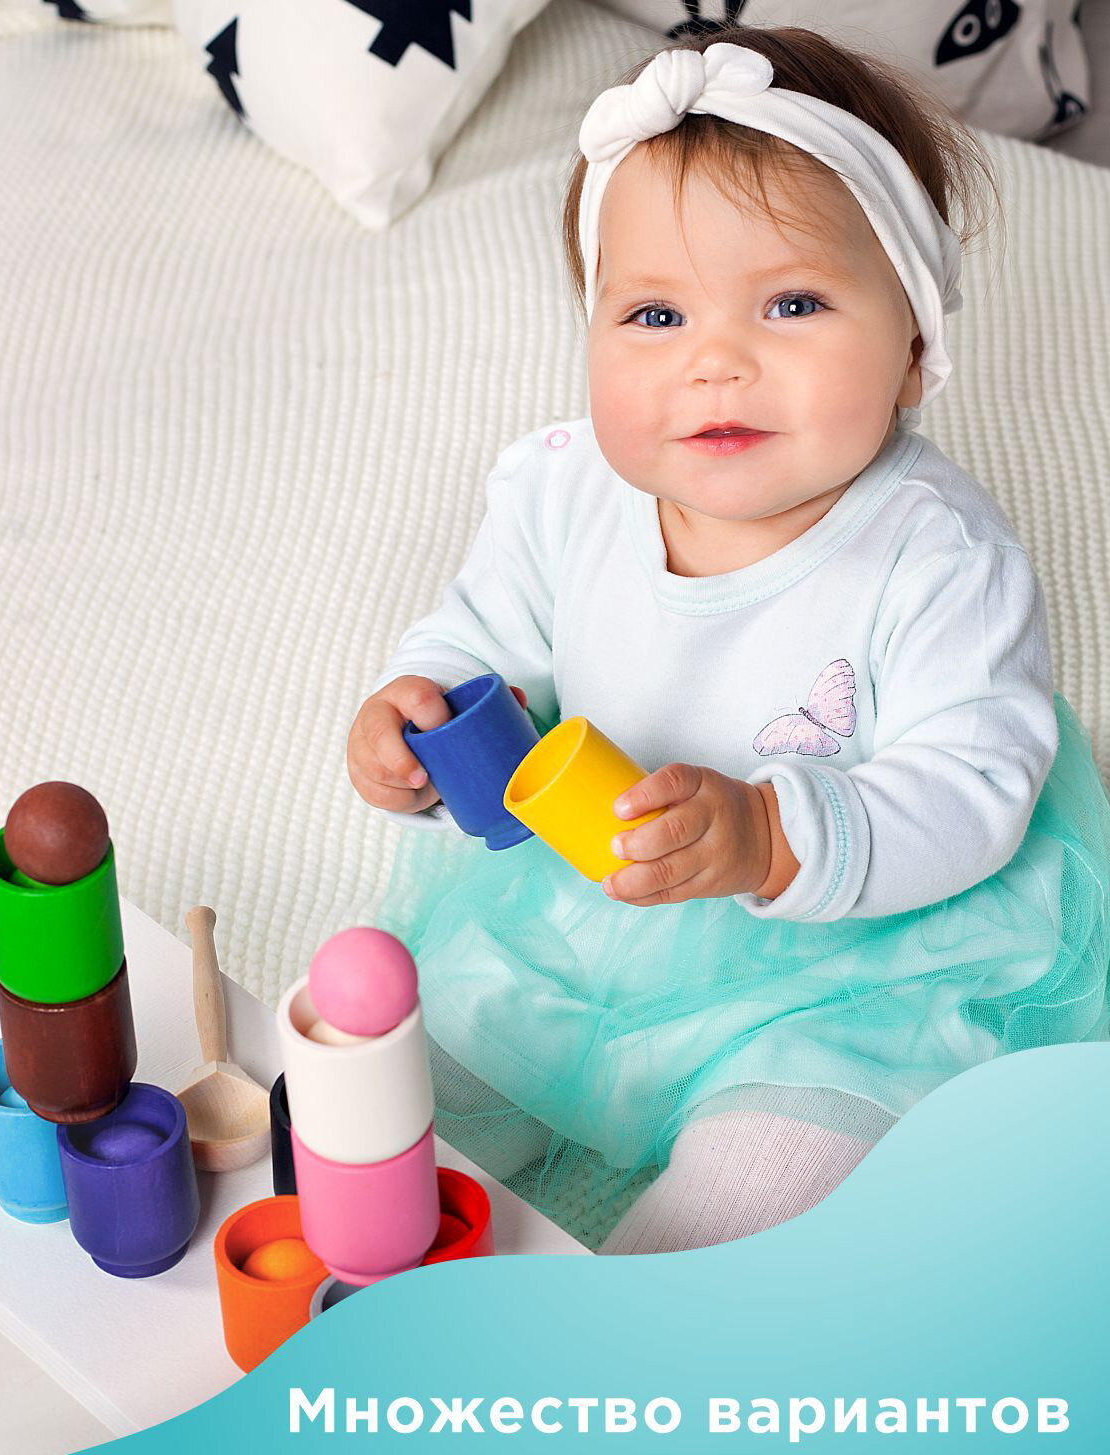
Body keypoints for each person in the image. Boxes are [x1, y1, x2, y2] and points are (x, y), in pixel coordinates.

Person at [345, 26, 1110, 1254]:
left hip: (849, 963)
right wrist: (421, 705)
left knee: (758, 1203)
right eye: (654, 313)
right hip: (586, 910)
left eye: (792, 304)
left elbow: (972, 786)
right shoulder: (563, 492)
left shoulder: (940, 556)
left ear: (915, 349)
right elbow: (484, 633)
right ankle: (366, 1270)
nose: (716, 362)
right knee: (391, 1101)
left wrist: (769, 833)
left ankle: (643, 1328)